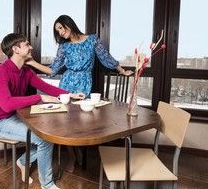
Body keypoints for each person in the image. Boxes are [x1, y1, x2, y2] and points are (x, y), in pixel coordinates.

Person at [26, 15, 133, 173]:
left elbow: (105, 57)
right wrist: (31, 62)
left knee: (80, 122)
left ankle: (77, 153)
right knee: (65, 123)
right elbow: (52, 69)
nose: (61, 33)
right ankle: (73, 157)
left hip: (84, 83)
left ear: (69, 24)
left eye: (61, 28)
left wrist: (122, 71)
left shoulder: (92, 39)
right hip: (67, 83)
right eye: (57, 31)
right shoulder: (64, 46)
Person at [0, 33, 85, 189]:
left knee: (48, 132)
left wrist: (71, 94)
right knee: (44, 139)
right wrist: (39, 97)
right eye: (26, 44)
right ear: (15, 49)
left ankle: (23, 161)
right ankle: (47, 184)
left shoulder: (26, 71)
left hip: (14, 117)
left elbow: (46, 87)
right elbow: (7, 104)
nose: (31, 47)